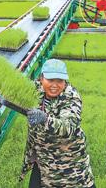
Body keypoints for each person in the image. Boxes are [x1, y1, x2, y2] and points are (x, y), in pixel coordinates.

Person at [19, 59, 95, 188]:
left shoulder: (71, 97)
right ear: (41, 78)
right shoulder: (34, 90)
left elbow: (68, 127)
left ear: (65, 81)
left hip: (69, 163)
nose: (55, 85)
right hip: (44, 159)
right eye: (50, 80)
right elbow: (11, 89)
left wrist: (44, 119)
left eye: (59, 81)